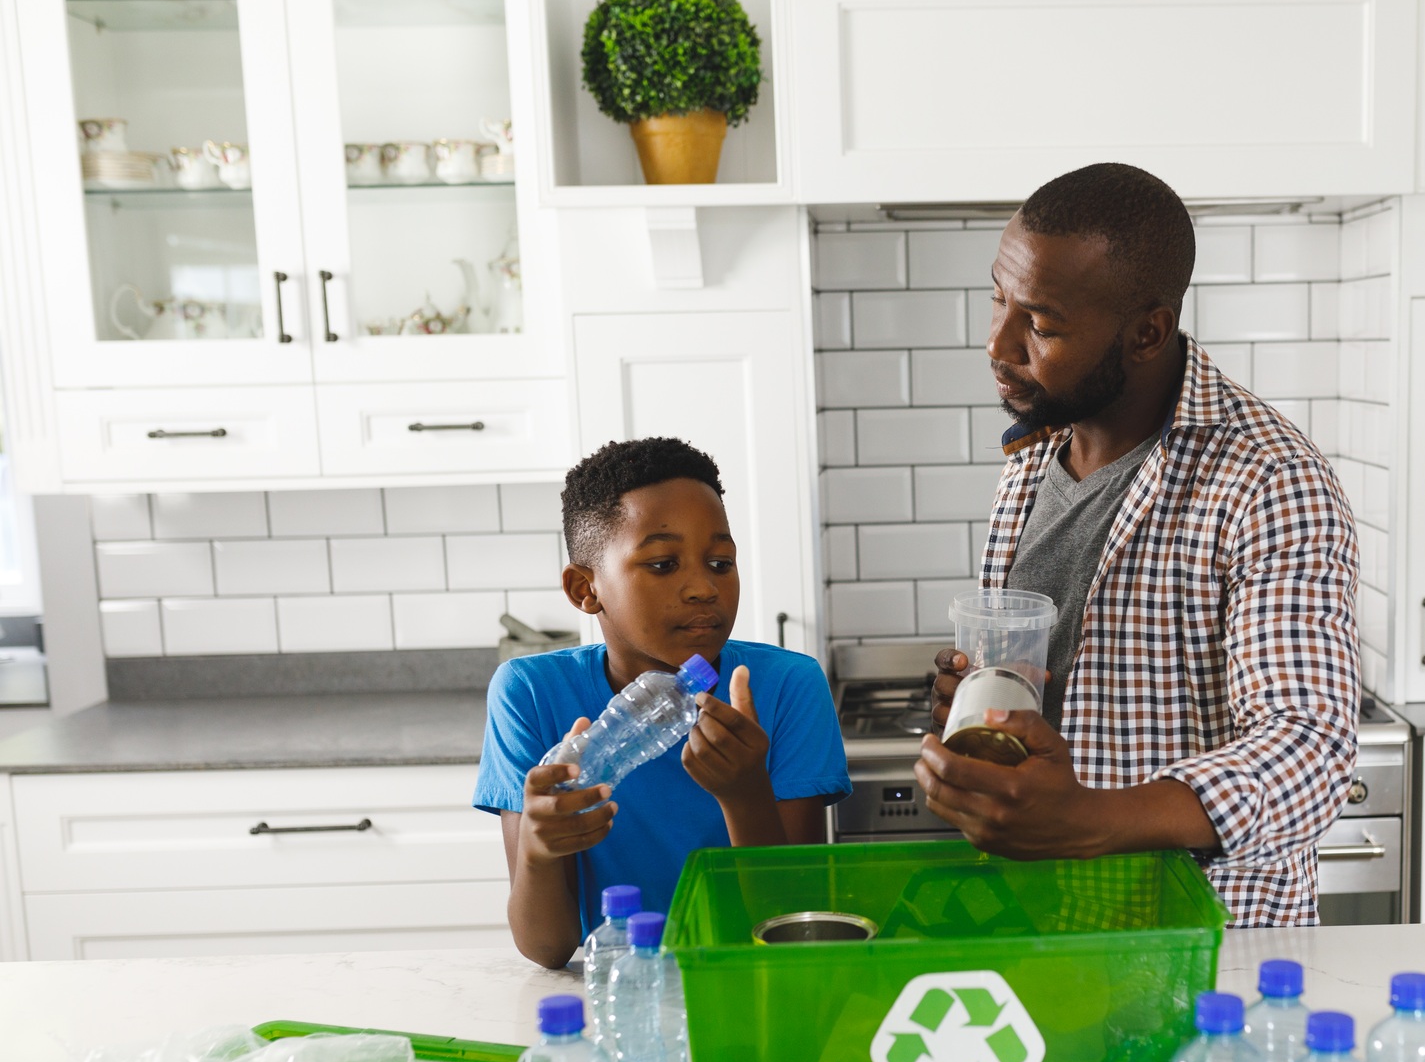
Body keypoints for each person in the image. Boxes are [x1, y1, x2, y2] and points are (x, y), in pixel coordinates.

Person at [921, 163, 1359, 928]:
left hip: (1202, 958)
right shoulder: (1030, 463)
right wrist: (982, 707)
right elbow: (1059, 707)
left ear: (1148, 331)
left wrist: (1090, 819)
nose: (998, 343)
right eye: (998, 297)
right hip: (1052, 937)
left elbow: (1310, 752)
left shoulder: (1269, 480)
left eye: (1043, 325)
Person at [476, 437, 850, 968]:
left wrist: (745, 795)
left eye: (721, 562)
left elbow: (794, 925)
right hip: (618, 995)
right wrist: (538, 849)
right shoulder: (530, 693)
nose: (703, 587)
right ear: (585, 588)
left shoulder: (789, 684)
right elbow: (547, 948)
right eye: (662, 564)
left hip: (749, 985)